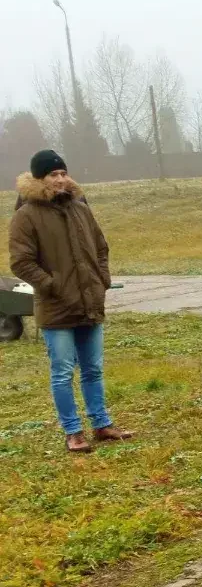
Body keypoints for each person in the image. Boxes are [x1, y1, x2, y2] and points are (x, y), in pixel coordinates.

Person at [8, 149, 133, 453]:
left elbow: (101, 248)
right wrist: (52, 285)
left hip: (90, 302)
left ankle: (101, 424)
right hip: (55, 306)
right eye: (53, 174)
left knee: (93, 369)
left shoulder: (81, 209)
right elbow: (21, 262)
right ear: (39, 178)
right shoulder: (26, 215)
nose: (61, 179)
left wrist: (101, 279)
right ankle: (73, 432)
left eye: (63, 173)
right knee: (63, 372)